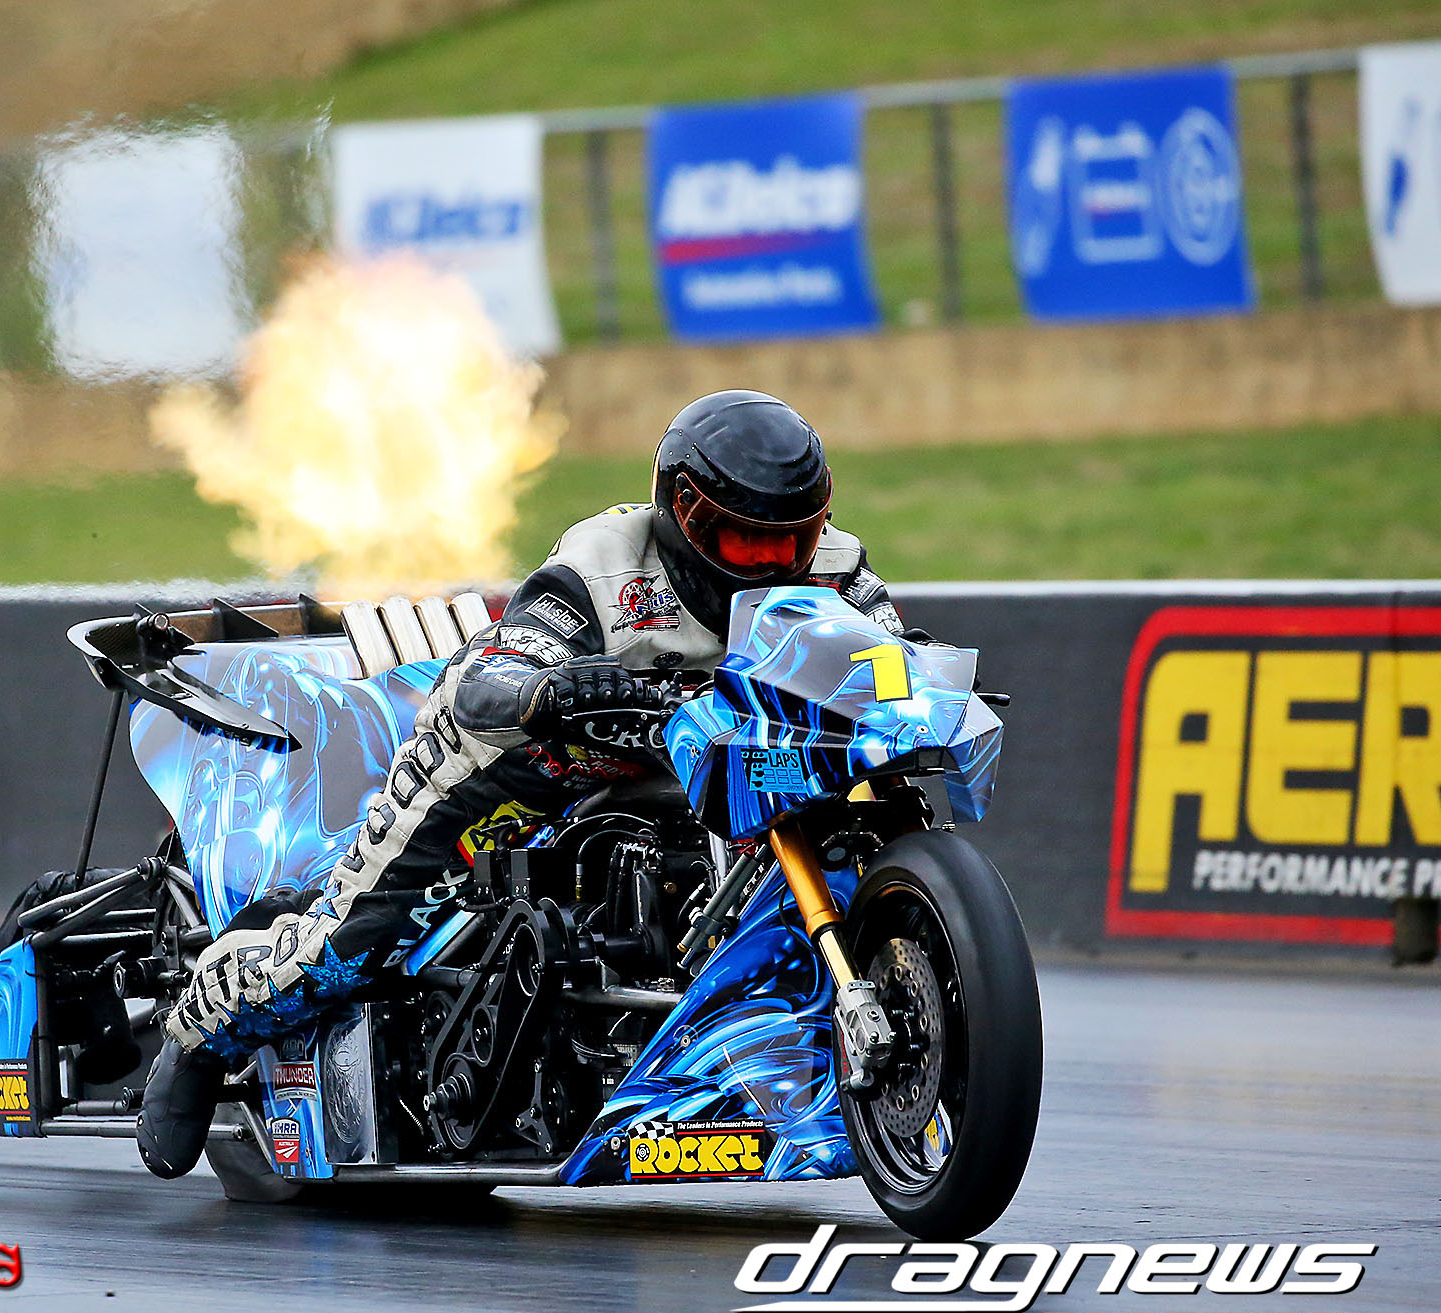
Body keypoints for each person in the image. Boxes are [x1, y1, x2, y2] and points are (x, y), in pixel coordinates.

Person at [122, 390, 907, 1177]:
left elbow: (894, 661)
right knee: (349, 949)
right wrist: (551, 689)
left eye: (790, 542)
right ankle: (199, 1031)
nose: (770, 563)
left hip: (688, 760)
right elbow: (488, 684)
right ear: (684, 513)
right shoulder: (603, 567)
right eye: (743, 542)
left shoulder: (837, 568)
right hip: (507, 768)